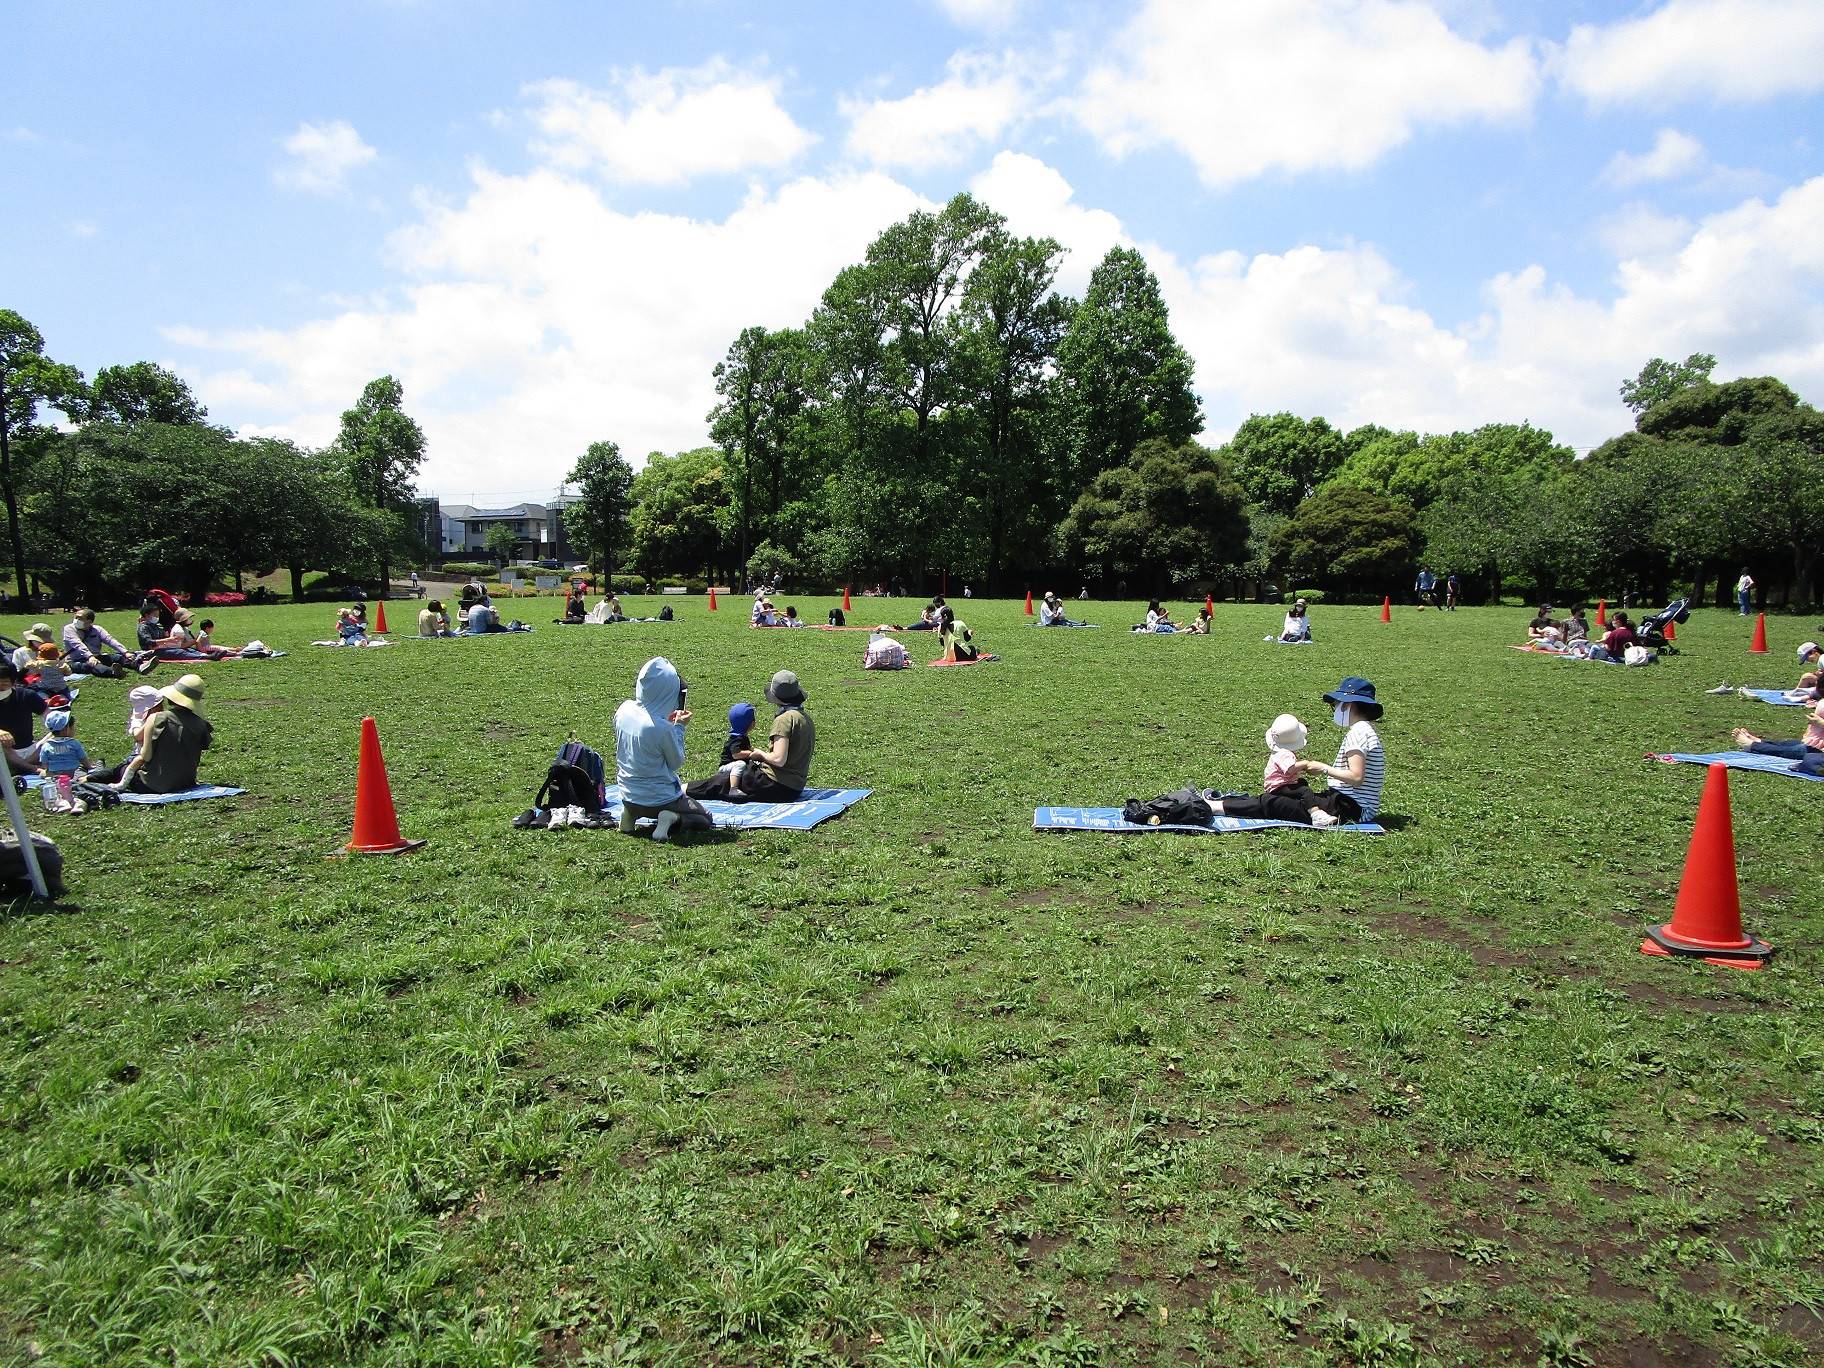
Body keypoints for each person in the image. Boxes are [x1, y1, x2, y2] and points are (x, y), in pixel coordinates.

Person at [1209, 677, 1385, 828]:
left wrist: (1322, 767)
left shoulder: (1358, 732)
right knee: (1289, 798)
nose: (1335, 709)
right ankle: (1222, 804)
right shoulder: (1365, 730)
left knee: (1273, 803)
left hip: (1351, 808)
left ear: (1348, 705)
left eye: (1336, 705)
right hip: (1346, 803)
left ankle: (1215, 807)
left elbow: (1356, 777)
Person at [689, 670, 815, 804]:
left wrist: (759, 754)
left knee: (721, 782)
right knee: (736, 773)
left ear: (777, 698)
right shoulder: (805, 718)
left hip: (776, 785)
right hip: (795, 787)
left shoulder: (784, 720)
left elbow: (779, 759)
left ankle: (679, 791)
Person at [612, 657, 702, 841]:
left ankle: (629, 815)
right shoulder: (663, 728)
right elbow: (676, 762)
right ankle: (670, 818)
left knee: (633, 804)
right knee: (702, 817)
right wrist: (679, 727)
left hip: (628, 794)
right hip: (661, 799)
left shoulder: (624, 710)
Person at [92, 674, 213, 795]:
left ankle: (88, 778)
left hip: (153, 785)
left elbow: (146, 757)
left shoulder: (157, 718)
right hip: (186, 782)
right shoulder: (201, 724)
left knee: (120, 769)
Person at [1732, 678, 1824, 775]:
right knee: (1790, 744)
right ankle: (1759, 742)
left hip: (1819, 751)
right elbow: (1813, 693)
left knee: (1792, 750)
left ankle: (1753, 746)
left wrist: (1820, 722)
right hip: (1817, 743)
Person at [36, 708, 89, 812]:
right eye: (73, 727)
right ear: (66, 729)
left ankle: (61, 797)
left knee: (45, 774)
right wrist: (90, 767)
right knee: (82, 771)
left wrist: (46, 771)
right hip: (73, 772)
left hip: (56, 775)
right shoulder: (74, 743)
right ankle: (74, 790)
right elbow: (83, 759)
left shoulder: (46, 746)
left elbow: (44, 763)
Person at [0, 660, 48, 772]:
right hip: (5, 750)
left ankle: (21, 765)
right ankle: (31, 768)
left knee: (62, 729)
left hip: (31, 750)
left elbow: (50, 716)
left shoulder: (26, 695)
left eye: (4, 684)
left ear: (14, 683)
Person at [62, 607, 135, 677]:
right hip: (76, 660)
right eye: (76, 617)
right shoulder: (69, 629)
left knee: (117, 657)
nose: (76, 620)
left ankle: (137, 664)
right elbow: (77, 644)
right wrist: (90, 656)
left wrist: (125, 652)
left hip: (96, 657)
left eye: (80, 618)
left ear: (89, 621)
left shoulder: (97, 629)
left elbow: (110, 640)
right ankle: (112, 671)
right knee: (92, 665)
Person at [714, 702, 758, 796]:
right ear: (752, 724)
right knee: (740, 764)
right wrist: (751, 753)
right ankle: (733, 789)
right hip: (726, 767)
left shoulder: (741, 737)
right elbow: (736, 754)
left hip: (731, 766)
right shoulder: (737, 739)